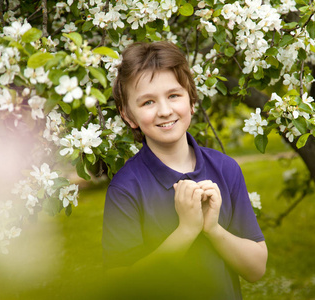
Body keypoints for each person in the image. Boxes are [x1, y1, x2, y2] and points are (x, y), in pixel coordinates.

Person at [102, 41, 267, 299]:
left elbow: (257, 269)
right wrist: (187, 230)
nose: (165, 111)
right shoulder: (125, 188)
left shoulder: (226, 169)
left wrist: (212, 228)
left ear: (191, 100)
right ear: (128, 116)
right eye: (147, 102)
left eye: (173, 95)